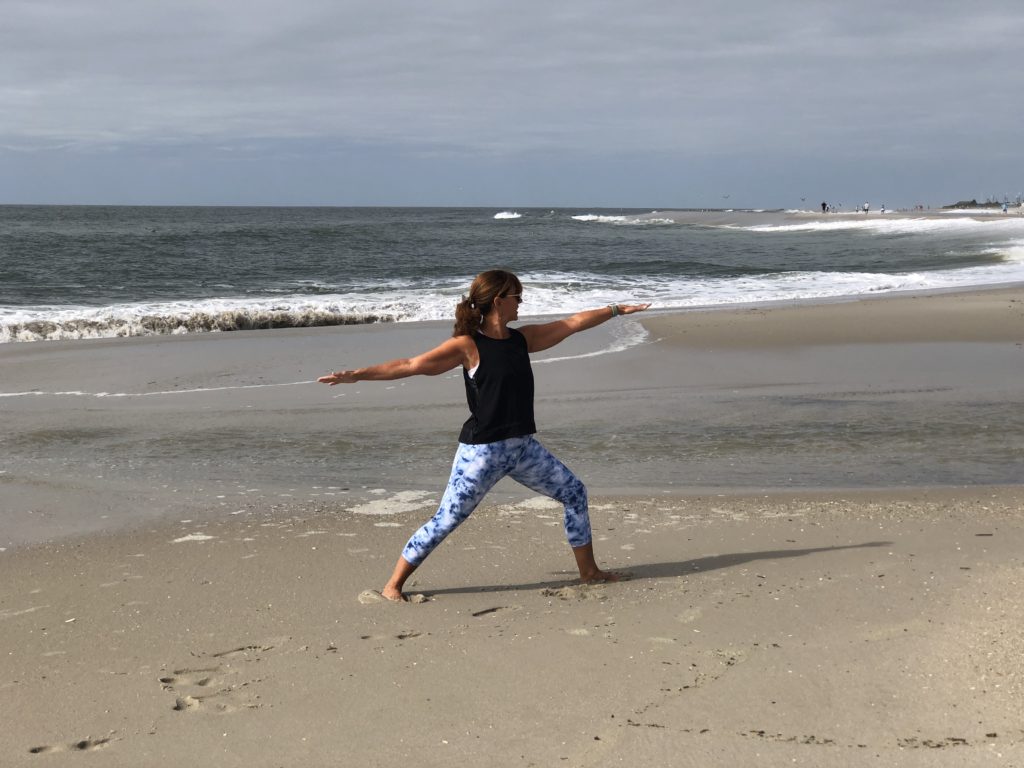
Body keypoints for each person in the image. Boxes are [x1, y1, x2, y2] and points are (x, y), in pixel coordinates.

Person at [318, 269, 651, 601]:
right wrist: (358, 375)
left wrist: (615, 310)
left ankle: (589, 572)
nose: (521, 303)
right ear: (498, 301)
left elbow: (572, 324)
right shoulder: (468, 345)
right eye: (516, 297)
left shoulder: (523, 340)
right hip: (482, 452)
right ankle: (392, 586)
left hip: (523, 448)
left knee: (574, 492)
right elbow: (410, 364)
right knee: (447, 519)